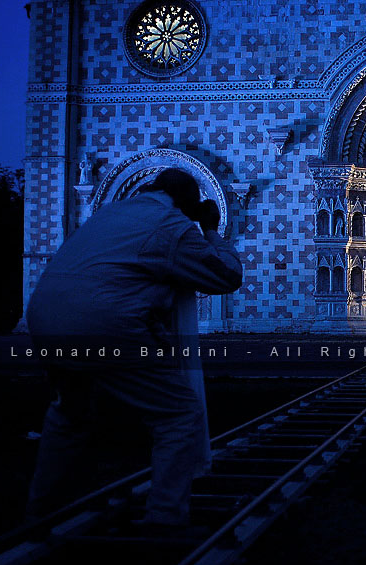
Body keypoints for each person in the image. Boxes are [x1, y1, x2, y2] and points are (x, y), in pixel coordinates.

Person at [25, 168, 242, 529]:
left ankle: (39, 515)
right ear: (187, 204)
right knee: (179, 415)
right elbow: (227, 275)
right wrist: (210, 230)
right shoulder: (172, 225)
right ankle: (164, 520)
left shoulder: (109, 214)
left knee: (69, 415)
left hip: (44, 319)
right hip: (103, 324)